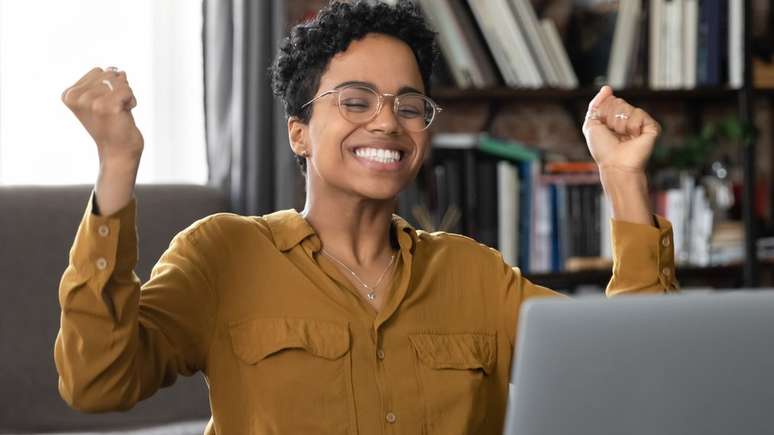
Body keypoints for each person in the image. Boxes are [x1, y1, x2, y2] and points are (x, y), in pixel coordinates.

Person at [54, 1, 678, 434]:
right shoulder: (222, 255)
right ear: (299, 132)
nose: (386, 121)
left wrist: (623, 179)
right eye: (355, 101)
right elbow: (98, 382)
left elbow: (633, 373)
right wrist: (116, 164)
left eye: (409, 106)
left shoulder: (473, 274)